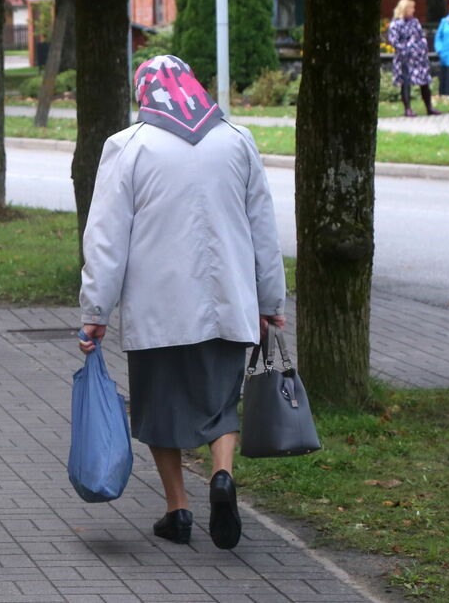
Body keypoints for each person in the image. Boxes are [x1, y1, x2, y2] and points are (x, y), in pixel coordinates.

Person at [78, 55, 286, 550]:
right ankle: (221, 475)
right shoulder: (236, 141)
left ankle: (178, 510)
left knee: (158, 408)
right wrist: (270, 298)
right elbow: (263, 229)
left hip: (158, 309)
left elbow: (106, 240)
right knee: (220, 403)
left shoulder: (127, 147)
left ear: (144, 93)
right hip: (228, 302)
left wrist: (95, 312)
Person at [387, 0, 439, 116]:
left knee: (424, 82)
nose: (413, 10)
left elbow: (421, 36)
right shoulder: (395, 24)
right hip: (404, 59)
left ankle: (429, 108)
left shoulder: (415, 22)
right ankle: (408, 109)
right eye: (411, 8)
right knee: (406, 82)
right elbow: (394, 41)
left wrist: (422, 47)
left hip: (419, 58)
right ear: (405, 9)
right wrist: (406, 50)